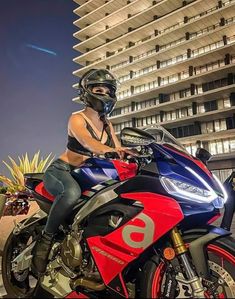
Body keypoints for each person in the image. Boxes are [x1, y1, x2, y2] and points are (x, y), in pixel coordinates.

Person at [32, 69, 134, 274]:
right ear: (86, 92)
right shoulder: (76, 119)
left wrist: (131, 155)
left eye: (108, 91)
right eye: (98, 89)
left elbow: (117, 148)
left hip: (86, 173)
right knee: (71, 193)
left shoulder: (107, 124)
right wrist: (111, 152)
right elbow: (90, 143)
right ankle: (45, 239)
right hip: (63, 170)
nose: (104, 95)